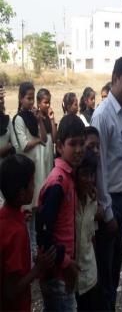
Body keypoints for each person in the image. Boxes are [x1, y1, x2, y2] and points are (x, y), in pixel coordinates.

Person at [91, 56, 122, 311]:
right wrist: (107, 212)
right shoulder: (103, 116)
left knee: (114, 264)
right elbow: (99, 170)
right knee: (105, 273)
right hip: (110, 202)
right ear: (114, 79)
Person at [36, 114, 86, 311]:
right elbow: (43, 232)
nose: (79, 150)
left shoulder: (69, 177)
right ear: (59, 147)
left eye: (81, 144)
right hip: (57, 273)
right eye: (72, 144)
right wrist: (67, 263)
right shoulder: (58, 182)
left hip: (62, 271)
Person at [0, 154, 56, 312]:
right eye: (32, 183)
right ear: (22, 193)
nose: (35, 186)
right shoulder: (16, 233)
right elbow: (11, 291)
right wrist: (39, 268)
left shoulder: (7, 216)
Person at [12, 82, 48, 257]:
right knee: (26, 220)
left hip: (38, 172)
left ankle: (34, 256)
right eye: (28, 98)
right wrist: (37, 141)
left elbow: (44, 139)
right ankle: (28, 257)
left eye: (32, 98)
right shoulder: (18, 119)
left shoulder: (34, 117)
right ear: (20, 98)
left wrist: (40, 120)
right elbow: (24, 145)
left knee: (35, 219)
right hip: (26, 174)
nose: (31, 102)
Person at [75, 149, 99, 311]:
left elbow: (92, 236)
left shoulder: (93, 201)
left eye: (92, 174)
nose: (89, 180)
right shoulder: (69, 200)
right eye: (84, 174)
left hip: (89, 274)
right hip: (72, 276)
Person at [36, 88, 57, 180]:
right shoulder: (35, 117)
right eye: (45, 102)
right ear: (38, 103)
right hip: (41, 150)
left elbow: (54, 139)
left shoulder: (49, 116)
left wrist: (52, 119)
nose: (48, 105)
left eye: (49, 102)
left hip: (49, 151)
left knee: (49, 174)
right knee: (41, 175)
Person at [0, 84, 15, 167]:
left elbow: (14, 143)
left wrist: (10, 147)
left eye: (2, 98)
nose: (1, 101)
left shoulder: (6, 119)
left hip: (6, 169)